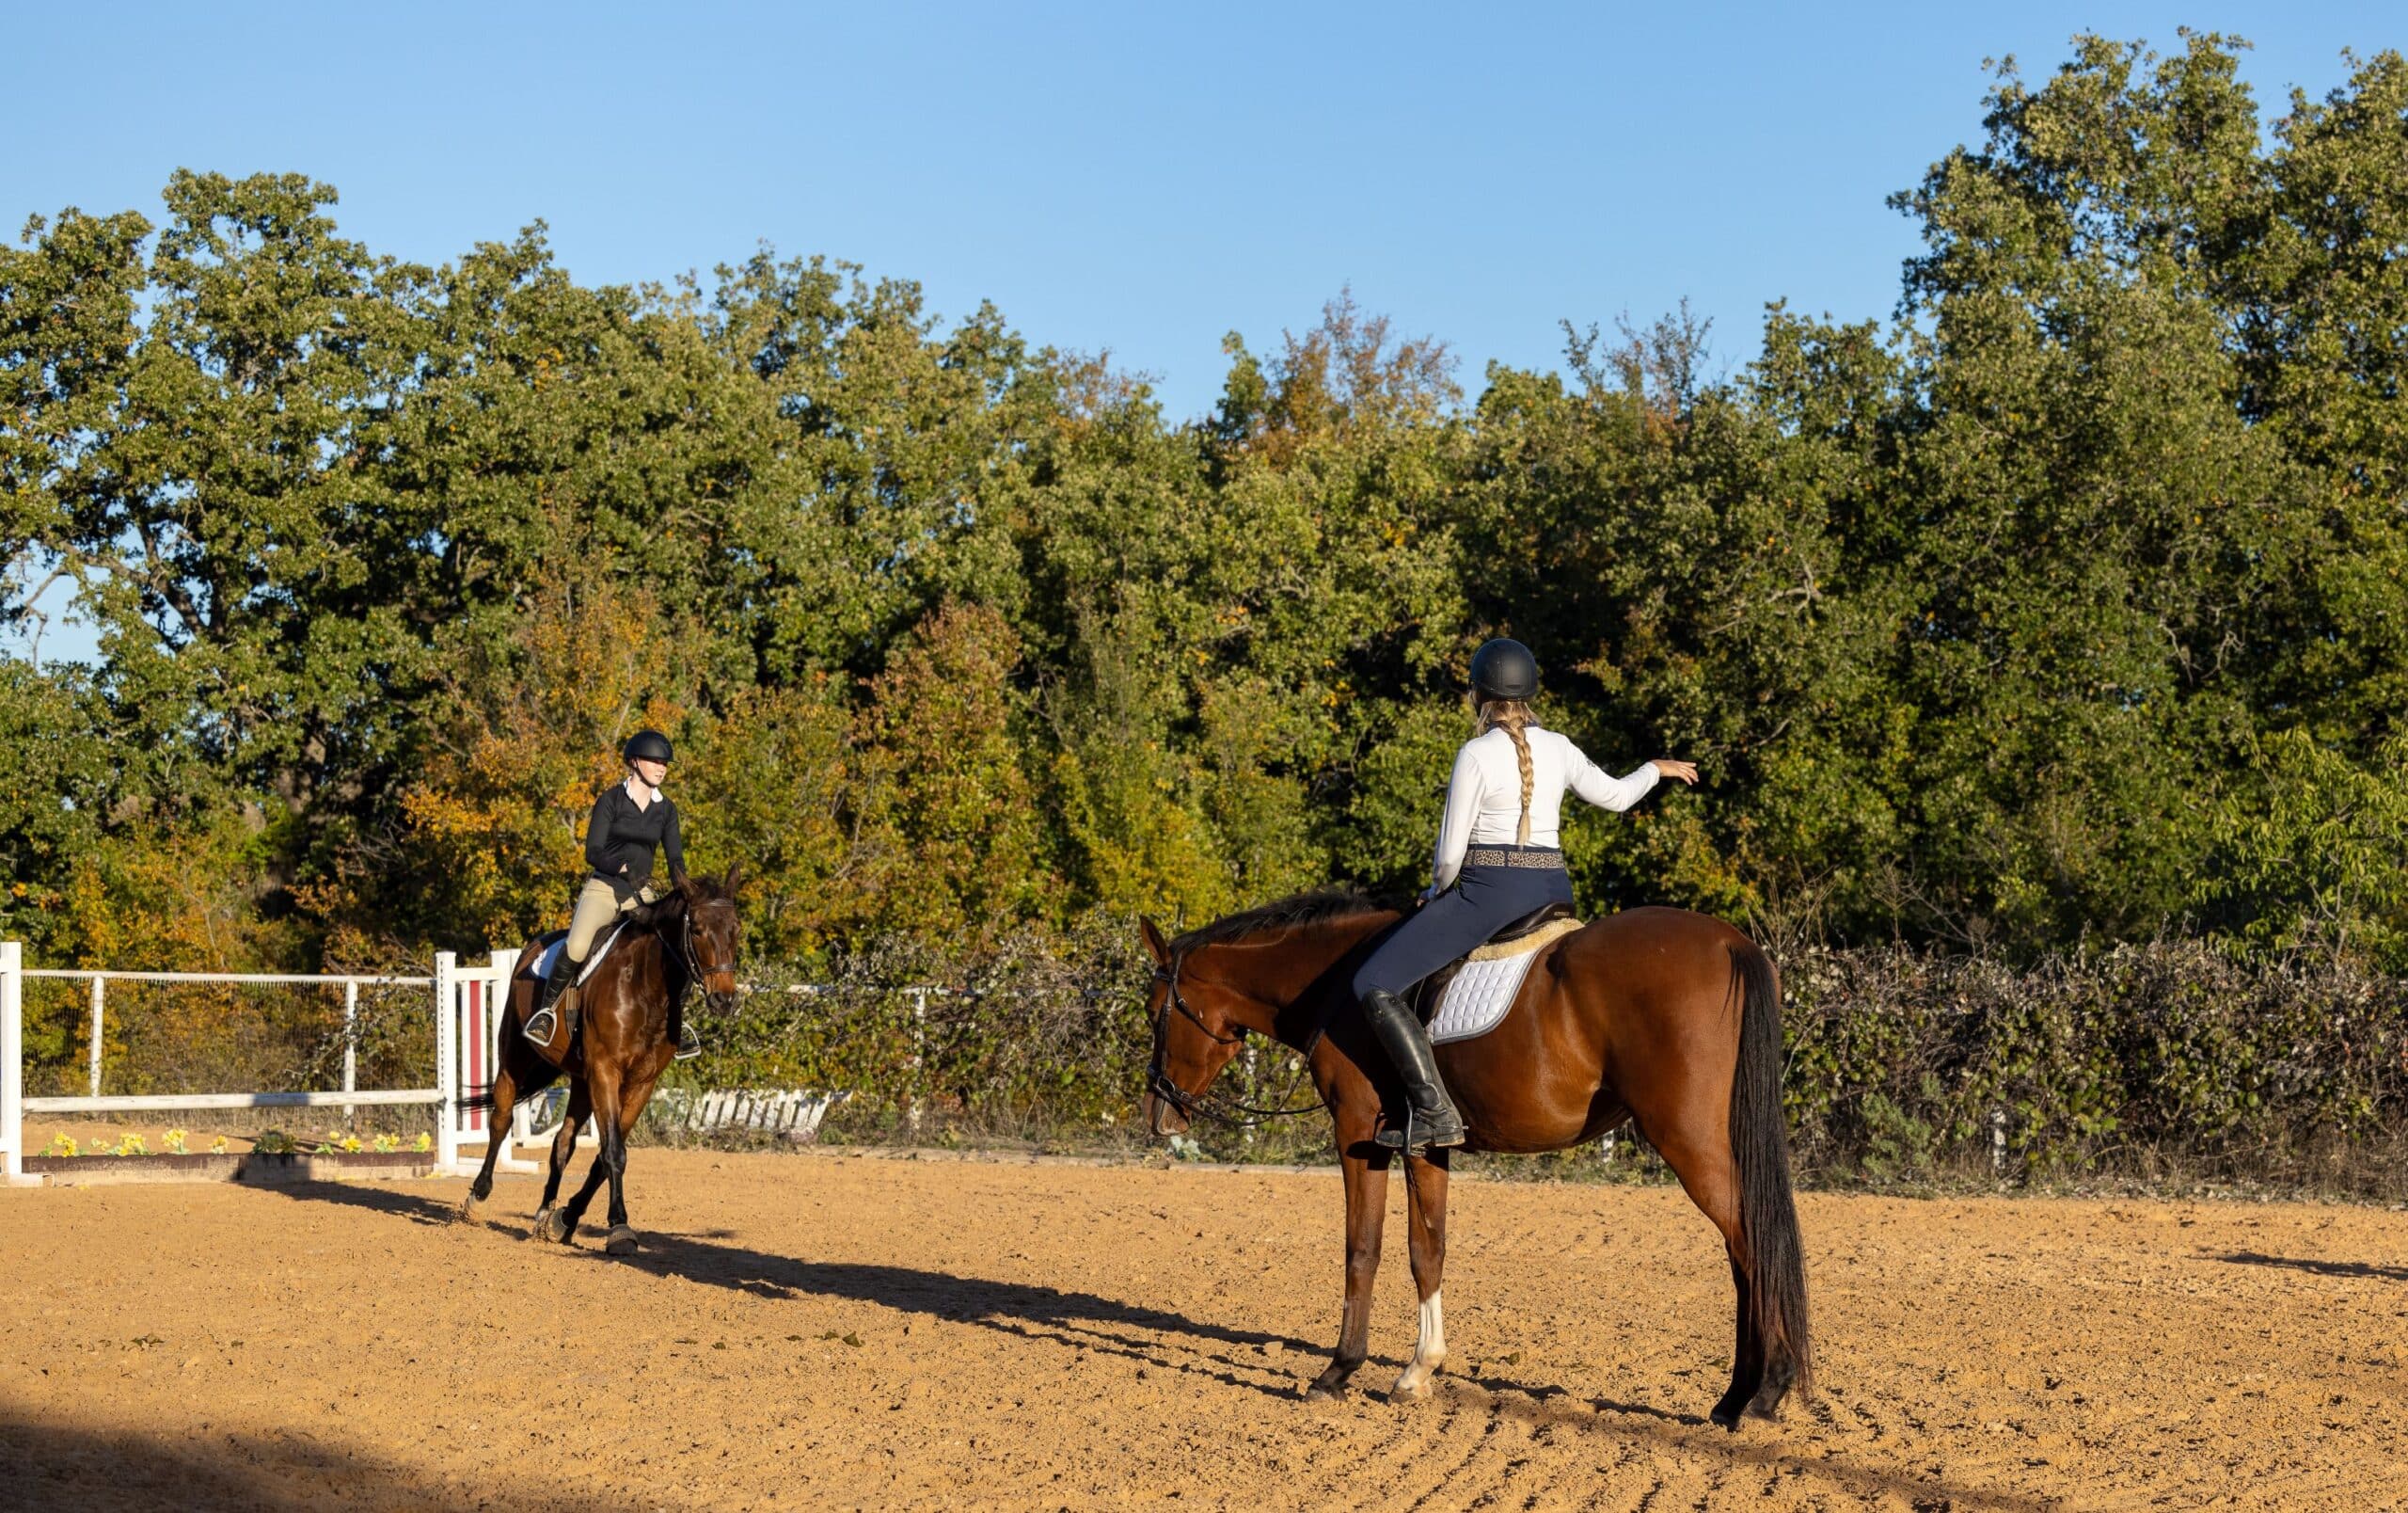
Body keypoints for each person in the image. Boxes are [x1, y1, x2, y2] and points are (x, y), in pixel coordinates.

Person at [1351, 639, 1697, 1152]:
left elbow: (1450, 857)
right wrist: (1654, 769)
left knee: (1372, 982)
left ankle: (1433, 1109)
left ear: (1479, 696)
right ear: (1530, 693)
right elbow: (1618, 798)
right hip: (1553, 891)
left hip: (1488, 895)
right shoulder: (1559, 747)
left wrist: (1434, 894)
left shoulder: (1474, 754)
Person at [523, 729, 701, 1059]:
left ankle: (678, 1023)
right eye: (656, 761)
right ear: (635, 762)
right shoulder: (611, 800)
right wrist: (621, 868)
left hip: (642, 895)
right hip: (604, 889)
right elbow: (593, 851)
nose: (662, 767)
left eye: (665, 763)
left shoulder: (667, 810)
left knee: (680, 946)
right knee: (577, 946)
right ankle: (546, 1013)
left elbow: (675, 858)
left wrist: (684, 888)